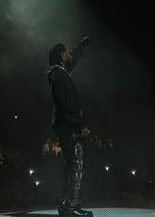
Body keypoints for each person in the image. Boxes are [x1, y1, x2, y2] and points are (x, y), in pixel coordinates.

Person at [47, 33, 93, 217]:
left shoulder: (61, 72)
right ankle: (70, 206)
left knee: (71, 164)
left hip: (65, 124)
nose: (70, 55)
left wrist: (82, 45)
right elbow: (66, 103)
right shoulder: (59, 75)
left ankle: (68, 204)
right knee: (76, 163)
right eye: (67, 52)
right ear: (61, 56)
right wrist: (79, 125)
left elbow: (74, 56)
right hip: (68, 125)